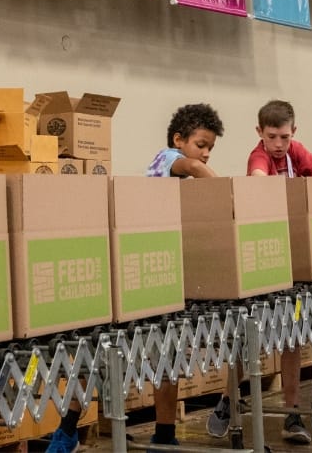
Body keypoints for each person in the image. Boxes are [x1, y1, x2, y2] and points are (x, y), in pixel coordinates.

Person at [47, 104, 224, 453]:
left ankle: (164, 432)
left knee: (168, 356)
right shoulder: (167, 159)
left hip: (163, 276)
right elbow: (191, 166)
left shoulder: (181, 186)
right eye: (202, 144)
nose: (204, 153)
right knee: (98, 356)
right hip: (138, 277)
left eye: (210, 149)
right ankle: (66, 429)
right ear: (178, 139)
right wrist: (224, 193)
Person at [250, 100, 312, 445]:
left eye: (284, 137)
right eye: (272, 137)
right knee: (252, 342)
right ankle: (229, 402)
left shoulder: (295, 152)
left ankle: (292, 413)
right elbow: (259, 187)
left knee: (292, 341)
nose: (278, 144)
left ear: (294, 133)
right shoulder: (258, 158)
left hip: (296, 261)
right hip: (265, 261)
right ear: (260, 133)